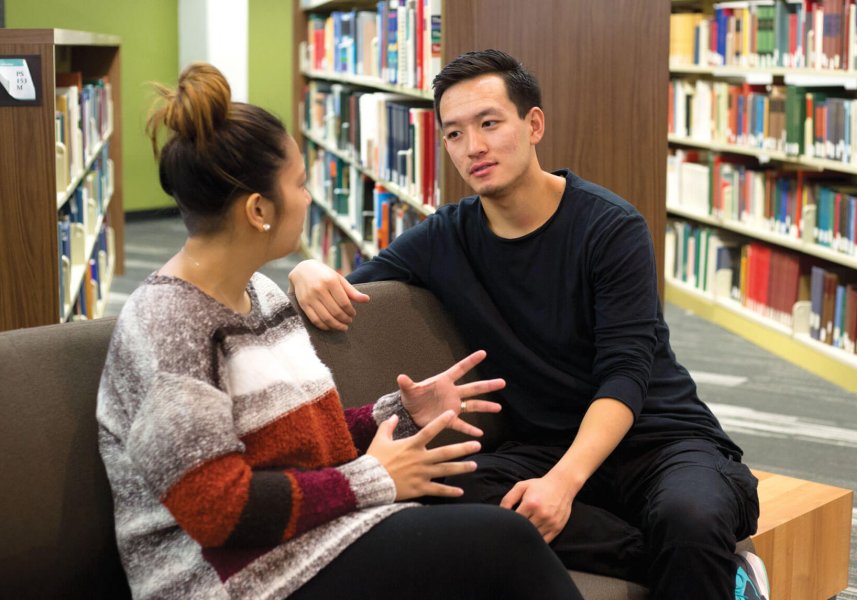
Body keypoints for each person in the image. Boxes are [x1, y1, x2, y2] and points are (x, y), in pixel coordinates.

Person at [290, 49, 771, 600]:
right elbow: (351, 287)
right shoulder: (443, 236)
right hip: (540, 442)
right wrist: (307, 268)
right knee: (431, 486)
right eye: (453, 134)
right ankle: (705, 565)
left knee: (689, 513)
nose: (473, 147)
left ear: (533, 124)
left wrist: (563, 484)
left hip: (655, 437)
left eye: (490, 123)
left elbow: (624, 376)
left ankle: (692, 545)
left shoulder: (611, 228)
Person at [96, 62, 583, 600]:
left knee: (494, 539)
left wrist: (399, 412)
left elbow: (304, 441)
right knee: (504, 543)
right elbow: (217, 510)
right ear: (259, 209)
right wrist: (376, 476)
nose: (308, 198)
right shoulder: (169, 327)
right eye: (300, 184)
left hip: (309, 544)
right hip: (229, 580)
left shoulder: (262, 294)